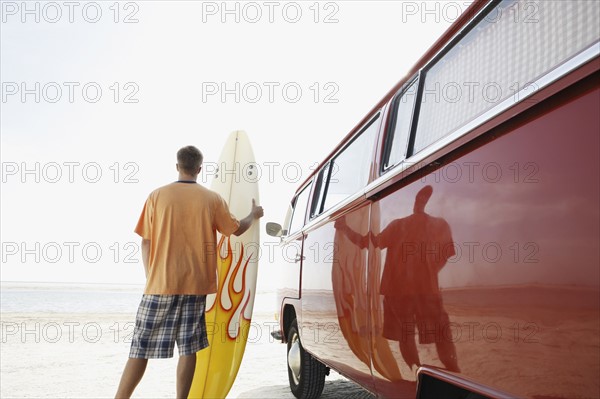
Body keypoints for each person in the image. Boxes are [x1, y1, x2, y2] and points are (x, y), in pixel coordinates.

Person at [115, 145, 264, 399]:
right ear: (199, 169)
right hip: (196, 286)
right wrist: (254, 214)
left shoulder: (156, 196)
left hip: (159, 284)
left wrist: (151, 275)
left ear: (177, 166)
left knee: (139, 348)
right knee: (189, 347)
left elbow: (146, 242)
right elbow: (236, 229)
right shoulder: (212, 199)